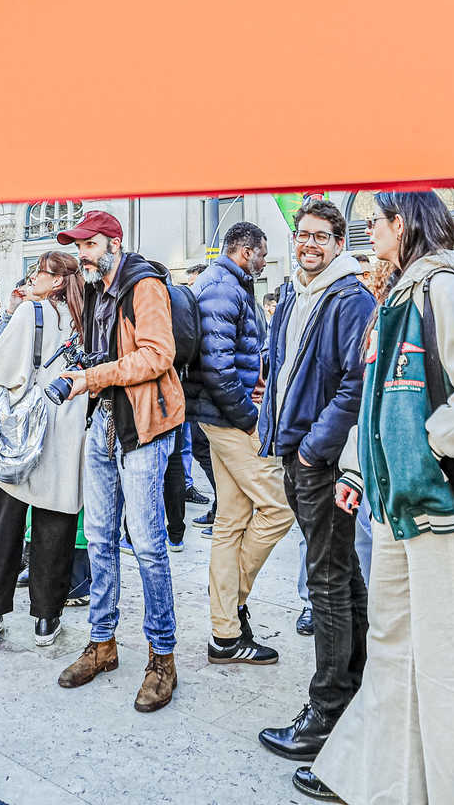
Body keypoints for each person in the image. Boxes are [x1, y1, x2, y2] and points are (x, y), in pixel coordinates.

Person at [302, 191, 454, 805]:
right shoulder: (398, 293)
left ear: (400, 224)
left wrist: (422, 447)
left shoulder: (441, 287)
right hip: (398, 506)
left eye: (373, 222)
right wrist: (357, 468)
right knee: (395, 642)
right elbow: (378, 399)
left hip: (438, 507)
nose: (366, 233)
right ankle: (381, 779)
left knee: (447, 650)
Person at [257, 199, 376, 763]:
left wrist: (311, 449)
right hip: (296, 452)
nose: (309, 243)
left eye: (321, 236)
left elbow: (357, 385)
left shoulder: (349, 296)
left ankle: (327, 712)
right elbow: (278, 368)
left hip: (320, 461)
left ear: (339, 241)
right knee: (342, 571)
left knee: (326, 579)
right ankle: (357, 684)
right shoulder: (295, 292)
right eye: (302, 234)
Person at [53, 210, 186, 714]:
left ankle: (162, 658)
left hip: (143, 428)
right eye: (78, 246)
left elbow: (157, 355)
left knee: (149, 546)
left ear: (113, 242)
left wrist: (89, 379)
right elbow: (104, 353)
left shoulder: (143, 284)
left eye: (87, 245)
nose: (80, 254)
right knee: (101, 539)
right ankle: (102, 643)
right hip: (104, 422)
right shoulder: (93, 290)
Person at [190, 221, 294, 664]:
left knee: (231, 519)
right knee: (278, 508)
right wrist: (251, 418)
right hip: (230, 420)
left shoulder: (228, 283)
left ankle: (225, 635)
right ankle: (230, 607)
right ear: (245, 250)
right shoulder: (221, 287)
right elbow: (216, 367)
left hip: (221, 417)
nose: (265, 261)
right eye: (263, 254)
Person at [0, 251, 89, 648]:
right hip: (64, 433)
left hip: (20, 434)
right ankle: (46, 619)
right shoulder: (85, 319)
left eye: (38, 272)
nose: (32, 279)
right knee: (54, 530)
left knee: (2, 527)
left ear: (56, 280)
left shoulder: (31, 312)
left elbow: (1, 368)